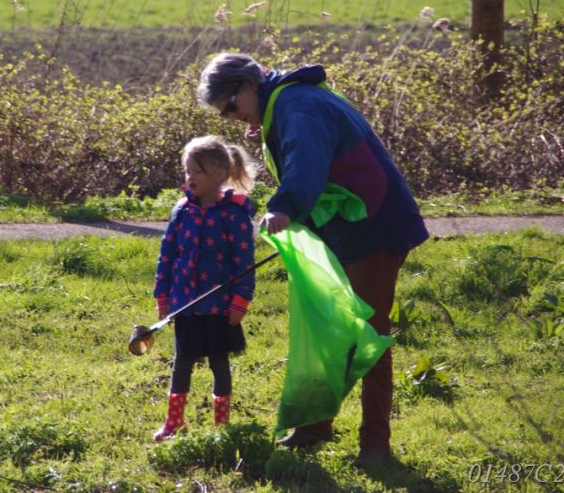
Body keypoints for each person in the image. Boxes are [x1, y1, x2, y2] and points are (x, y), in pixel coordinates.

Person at [197, 53, 429, 466]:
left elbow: (307, 163)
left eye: (231, 106)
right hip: (345, 224)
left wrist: (284, 207)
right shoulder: (283, 104)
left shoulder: (296, 106)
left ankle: (376, 445)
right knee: (328, 325)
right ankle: (314, 428)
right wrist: (264, 125)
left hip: (375, 223)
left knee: (369, 334)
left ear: (248, 85)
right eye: (224, 114)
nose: (231, 117)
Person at [152, 134, 258, 441]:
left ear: (220, 174)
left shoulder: (233, 214)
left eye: (197, 171)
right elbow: (167, 255)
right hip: (185, 303)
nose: (190, 177)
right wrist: (162, 296)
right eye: (187, 171)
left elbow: (244, 262)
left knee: (219, 363)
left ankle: (221, 425)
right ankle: (174, 422)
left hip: (219, 306)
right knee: (182, 362)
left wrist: (240, 301)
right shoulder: (181, 211)